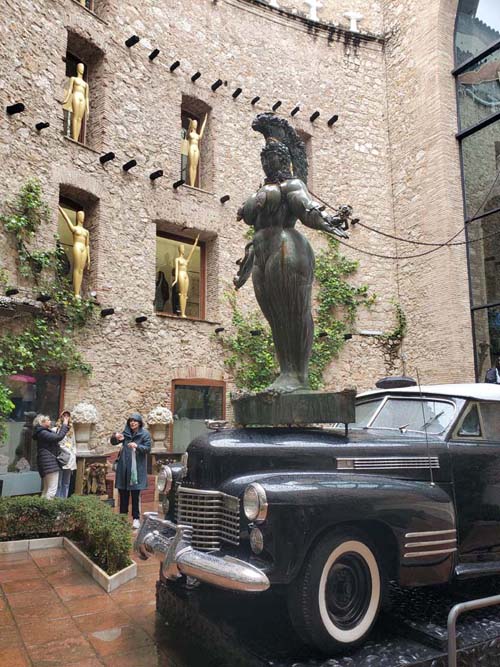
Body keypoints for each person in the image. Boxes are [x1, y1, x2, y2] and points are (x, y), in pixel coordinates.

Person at [235, 112, 352, 393]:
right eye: (264, 159)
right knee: (275, 317)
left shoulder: (292, 186)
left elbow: (306, 210)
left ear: (283, 159)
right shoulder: (262, 189)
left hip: (288, 249)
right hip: (263, 254)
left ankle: (297, 375)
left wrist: (331, 220)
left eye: (272, 158)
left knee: (293, 312)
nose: (267, 163)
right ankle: (285, 371)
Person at [110, 413, 151, 529]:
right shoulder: (125, 434)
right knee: (123, 494)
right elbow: (113, 442)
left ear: (139, 422)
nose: (133, 423)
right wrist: (115, 436)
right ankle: (122, 518)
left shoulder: (145, 434)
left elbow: (147, 449)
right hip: (124, 469)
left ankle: (136, 518)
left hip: (136, 470)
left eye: (135, 421)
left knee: (135, 495)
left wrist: (137, 446)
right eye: (131, 421)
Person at [32, 413, 69, 499]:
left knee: (46, 489)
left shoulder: (42, 432)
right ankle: (47, 510)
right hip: (50, 463)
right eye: (48, 420)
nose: (50, 421)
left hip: (47, 463)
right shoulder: (42, 432)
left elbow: (56, 436)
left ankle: (41, 509)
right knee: (52, 489)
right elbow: (58, 437)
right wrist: (65, 423)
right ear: (42, 422)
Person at [58, 205, 90, 299]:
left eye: (83, 216)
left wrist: (89, 258)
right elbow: (66, 218)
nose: (82, 217)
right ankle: (75, 293)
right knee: (76, 268)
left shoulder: (86, 232)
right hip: (77, 246)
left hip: (84, 248)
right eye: (81, 215)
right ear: (78, 217)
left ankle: (78, 292)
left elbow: (87, 245)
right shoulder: (75, 228)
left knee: (81, 270)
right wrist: (60, 208)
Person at [172, 235, 200, 318]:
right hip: (180, 273)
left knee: (185, 294)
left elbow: (192, 252)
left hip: (185, 275)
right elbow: (177, 269)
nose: (184, 250)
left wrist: (195, 243)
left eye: (184, 249)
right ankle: (182, 313)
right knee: (181, 293)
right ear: (180, 250)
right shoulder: (177, 259)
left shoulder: (185, 260)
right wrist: (176, 279)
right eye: (183, 248)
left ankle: (184, 313)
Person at [54, 411, 77, 498]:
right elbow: (57, 441)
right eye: (64, 415)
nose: (66, 417)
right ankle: (58, 500)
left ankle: (64, 500)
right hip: (61, 457)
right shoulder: (56, 429)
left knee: (66, 482)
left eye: (68, 416)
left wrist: (73, 453)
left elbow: (74, 443)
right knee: (58, 482)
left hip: (70, 458)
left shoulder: (71, 430)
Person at [187, 114, 207, 187]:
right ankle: (191, 184)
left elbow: (202, 131)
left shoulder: (197, 135)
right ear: (192, 124)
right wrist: (190, 123)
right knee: (191, 165)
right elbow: (188, 133)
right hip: (191, 147)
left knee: (195, 166)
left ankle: (193, 184)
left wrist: (205, 120)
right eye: (194, 123)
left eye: (196, 124)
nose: (195, 125)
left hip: (196, 148)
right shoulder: (190, 134)